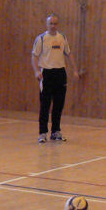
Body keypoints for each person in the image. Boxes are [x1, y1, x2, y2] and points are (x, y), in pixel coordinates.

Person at [31, 13, 79, 143]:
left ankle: (56, 131)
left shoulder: (62, 37)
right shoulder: (41, 38)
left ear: (58, 25)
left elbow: (69, 54)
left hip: (60, 73)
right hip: (47, 74)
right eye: (51, 23)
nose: (53, 26)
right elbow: (34, 56)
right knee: (45, 104)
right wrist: (36, 71)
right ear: (47, 24)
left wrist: (75, 70)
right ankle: (42, 133)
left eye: (55, 23)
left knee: (59, 104)